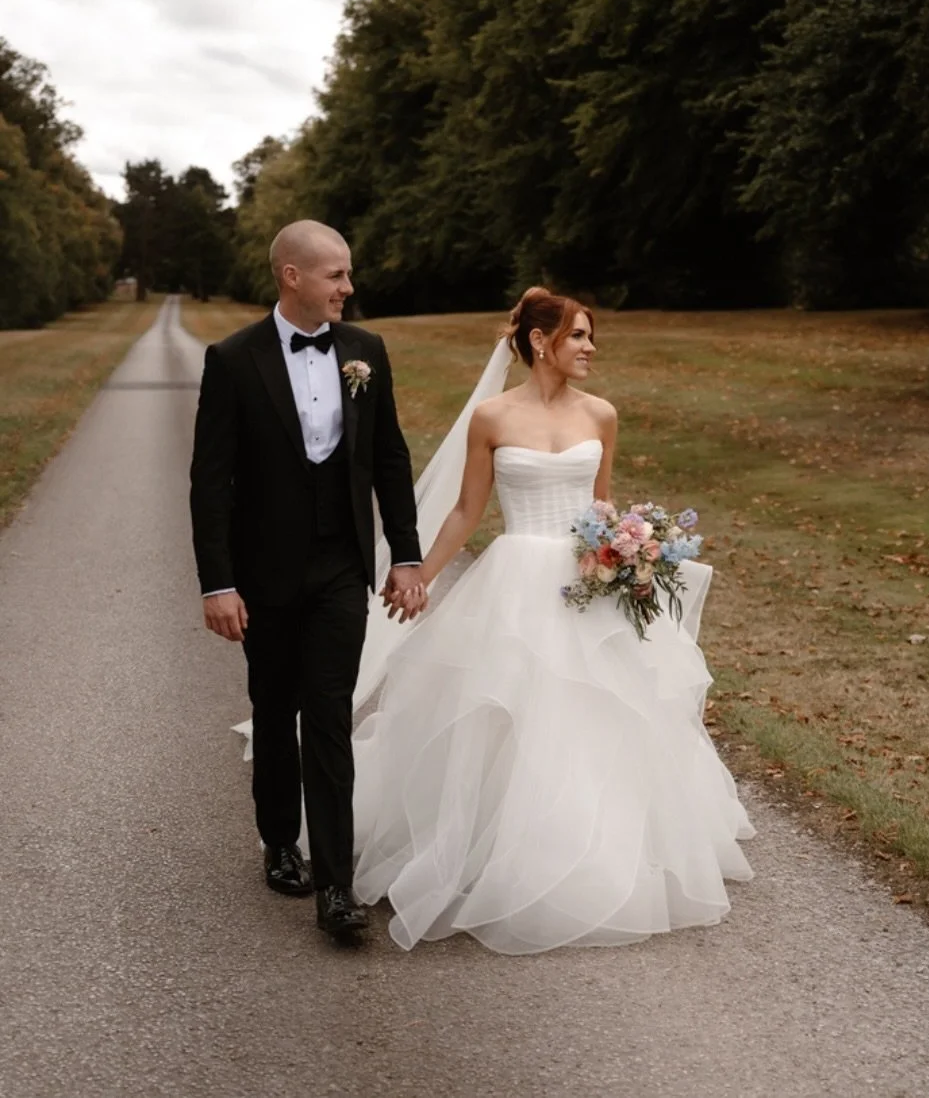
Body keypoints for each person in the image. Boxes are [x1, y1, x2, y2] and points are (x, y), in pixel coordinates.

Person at [355, 287, 754, 954]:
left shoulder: (602, 415)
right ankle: (493, 849)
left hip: (585, 581)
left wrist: (629, 551)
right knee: (507, 711)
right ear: (541, 342)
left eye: (591, 337)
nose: (591, 347)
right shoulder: (491, 417)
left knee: (597, 714)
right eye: (578, 336)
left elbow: (601, 506)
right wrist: (420, 571)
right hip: (514, 580)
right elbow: (465, 512)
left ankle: (593, 855)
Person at [190, 220, 427, 938]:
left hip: (339, 568)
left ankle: (335, 888)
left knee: (328, 713)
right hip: (262, 573)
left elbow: (388, 456)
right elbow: (211, 483)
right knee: (274, 705)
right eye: (336, 275)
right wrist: (217, 583)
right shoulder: (234, 360)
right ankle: (277, 840)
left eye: (348, 274)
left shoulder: (365, 352)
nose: (348, 288)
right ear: (291, 276)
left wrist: (407, 556)